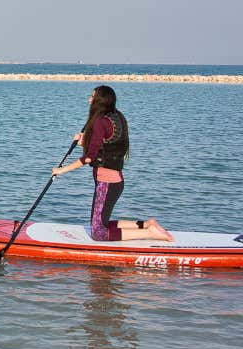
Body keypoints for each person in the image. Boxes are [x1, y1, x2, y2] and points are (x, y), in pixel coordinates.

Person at [51, 85, 172, 242]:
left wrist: (61, 170)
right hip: (116, 182)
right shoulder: (117, 116)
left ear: (100, 101)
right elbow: (104, 148)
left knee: (98, 233)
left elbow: (89, 158)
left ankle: (150, 233)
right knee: (103, 224)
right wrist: (84, 142)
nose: (89, 100)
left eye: (92, 97)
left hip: (106, 184)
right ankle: (147, 225)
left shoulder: (100, 121)